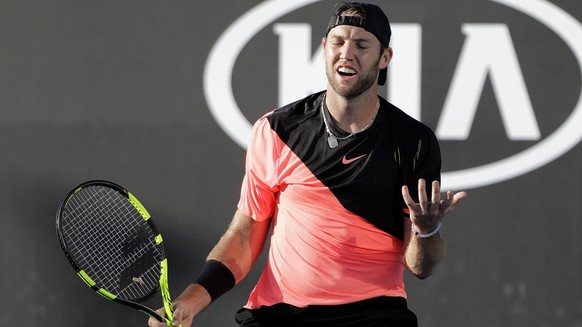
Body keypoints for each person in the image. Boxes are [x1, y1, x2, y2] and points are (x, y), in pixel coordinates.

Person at [149, 2, 467, 327]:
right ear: (324, 48)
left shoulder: (413, 142)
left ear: (384, 58)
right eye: (338, 41)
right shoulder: (277, 130)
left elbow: (420, 266)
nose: (347, 53)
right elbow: (245, 236)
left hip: (374, 315)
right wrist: (191, 300)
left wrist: (426, 231)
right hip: (279, 314)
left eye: (361, 44)